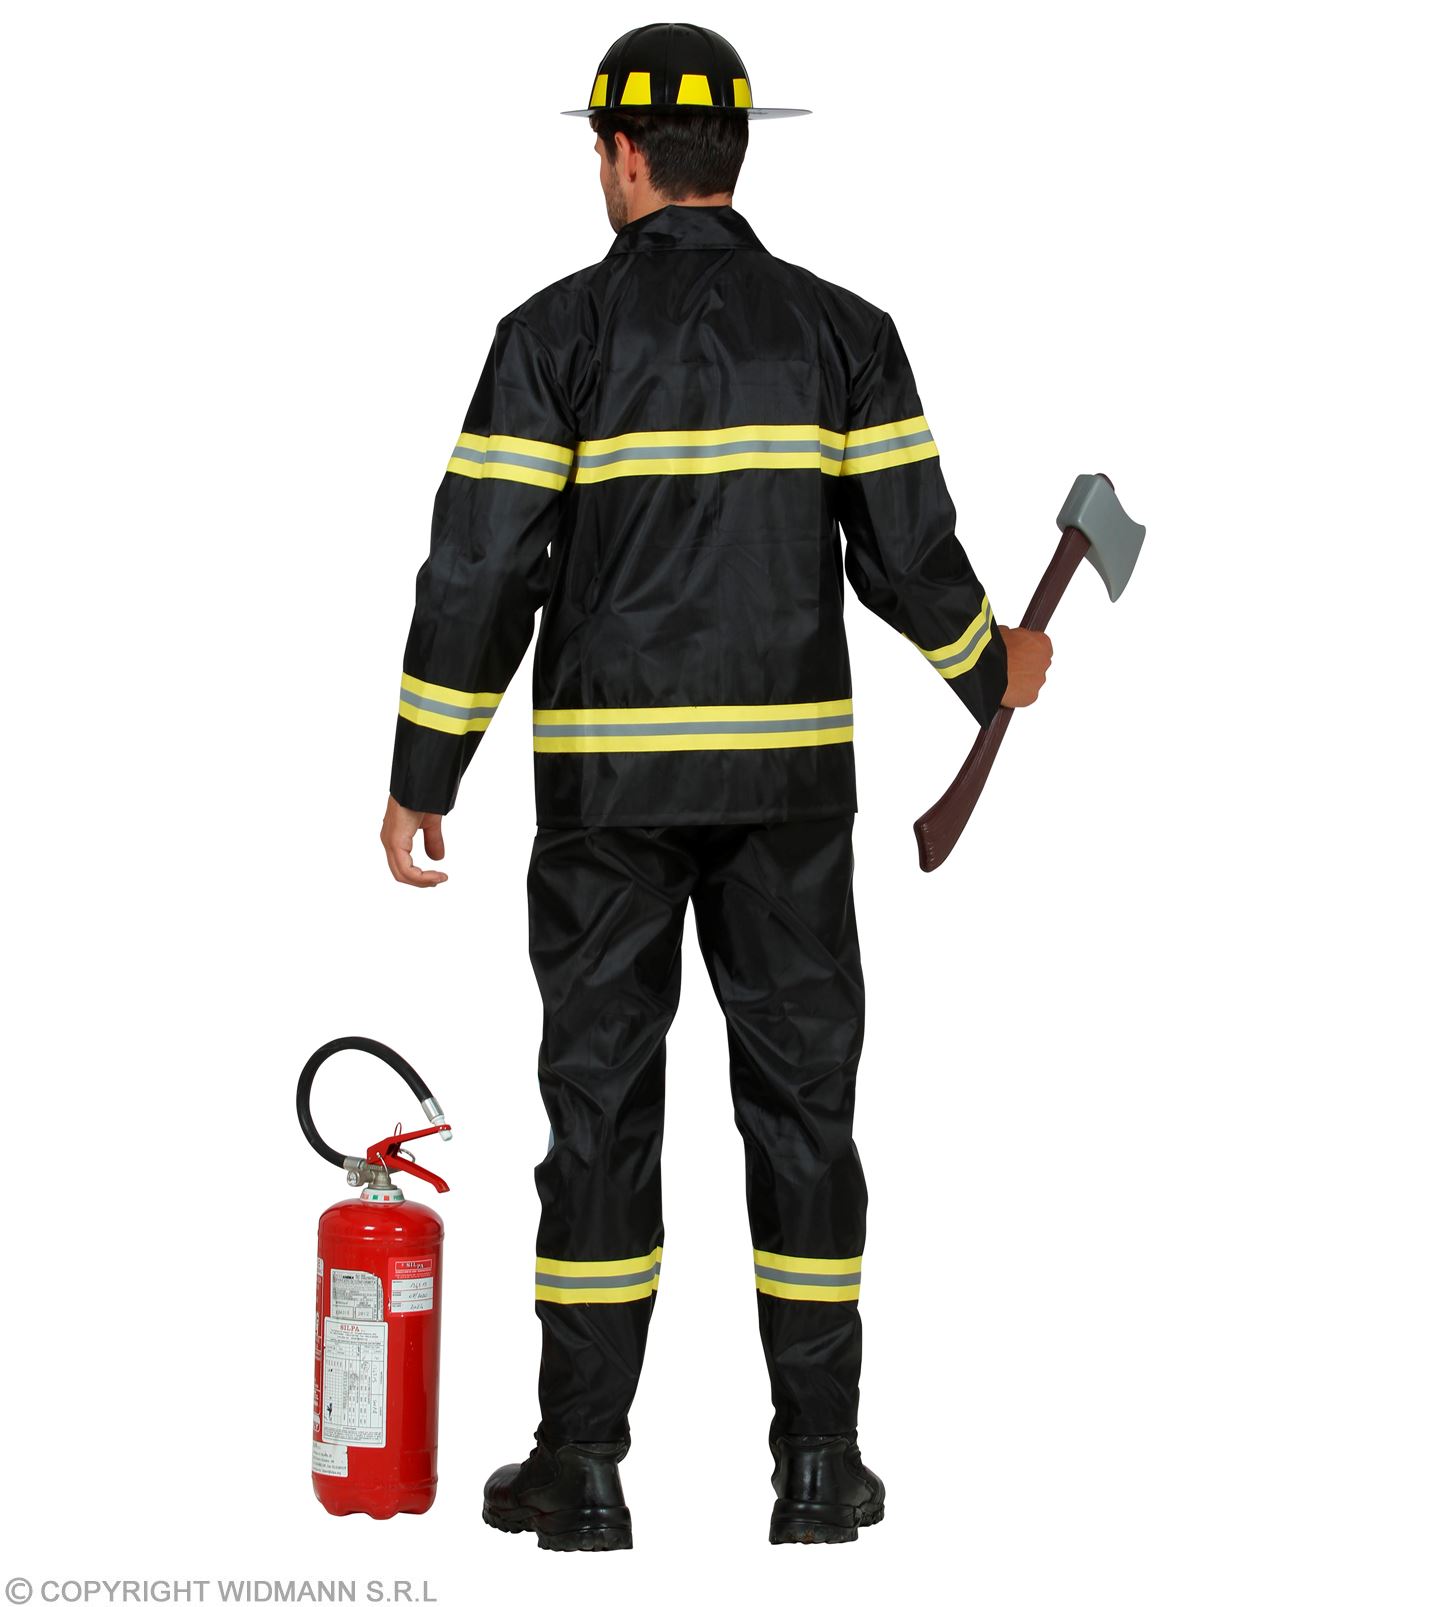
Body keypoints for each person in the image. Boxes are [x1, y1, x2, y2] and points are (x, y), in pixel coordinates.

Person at [379, 23, 1052, 1550]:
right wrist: (987, 665)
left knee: (599, 1113)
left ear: (622, 154)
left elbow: (478, 569)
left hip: (607, 797)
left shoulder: (549, 336)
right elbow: (907, 554)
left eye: (597, 149)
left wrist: (426, 768)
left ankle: (580, 1467)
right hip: (790, 796)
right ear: (731, 155)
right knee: (805, 1114)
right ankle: (819, 1467)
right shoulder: (842, 335)